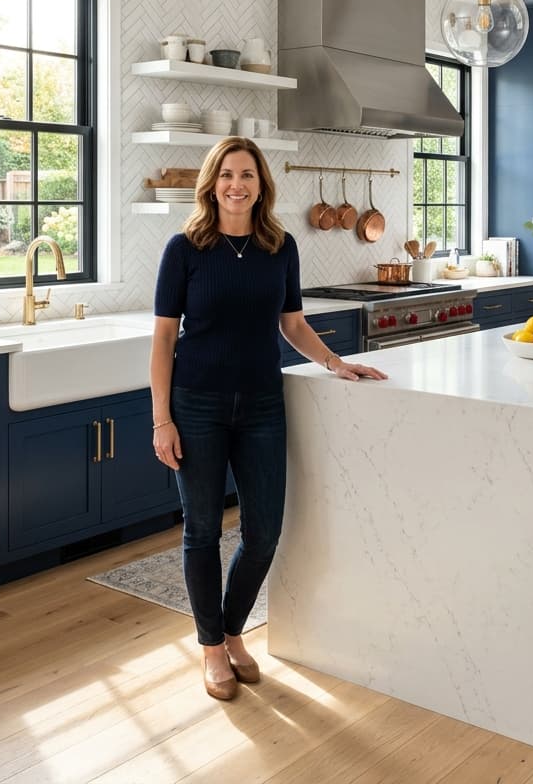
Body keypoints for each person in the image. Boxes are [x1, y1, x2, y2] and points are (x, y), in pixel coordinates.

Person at [149, 136, 386, 700]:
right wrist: (162, 418)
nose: (236, 185)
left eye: (247, 175)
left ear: (261, 185)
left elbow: (293, 324)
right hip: (196, 404)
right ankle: (212, 647)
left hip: (260, 405)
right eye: (227, 174)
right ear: (212, 183)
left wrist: (336, 363)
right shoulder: (183, 249)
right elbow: (162, 338)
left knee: (263, 533)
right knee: (203, 530)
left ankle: (232, 631)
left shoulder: (279, 246)